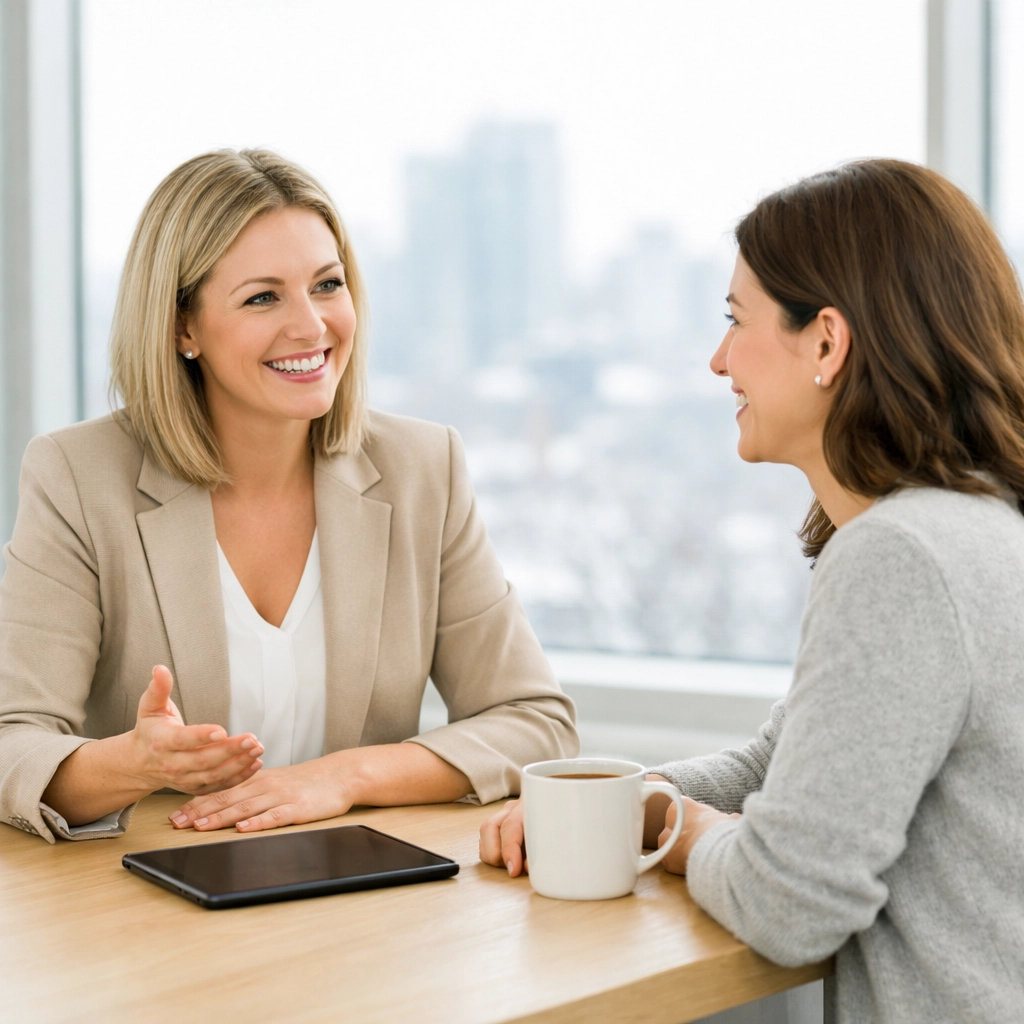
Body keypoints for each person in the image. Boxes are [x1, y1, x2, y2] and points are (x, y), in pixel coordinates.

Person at [481, 159, 1024, 1020]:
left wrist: (678, 829)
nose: (717, 359)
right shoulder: (975, 530)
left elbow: (788, 905)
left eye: (737, 322)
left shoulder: (905, 558)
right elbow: (782, 763)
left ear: (826, 342)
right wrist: (626, 797)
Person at [0, 148, 577, 844]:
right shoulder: (78, 475)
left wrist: (345, 776)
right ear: (183, 327)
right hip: (150, 912)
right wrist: (131, 763)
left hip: (362, 904)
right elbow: (13, 741)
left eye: (327, 285)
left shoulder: (423, 467)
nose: (311, 326)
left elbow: (537, 723)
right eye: (263, 297)